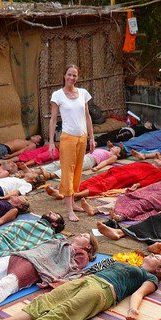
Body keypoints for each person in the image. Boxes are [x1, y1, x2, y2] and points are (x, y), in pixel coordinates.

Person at [0, 255, 161, 320]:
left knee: (67, 310)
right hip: (89, 280)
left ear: (159, 269)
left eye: (158, 259)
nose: (153, 255)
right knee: (46, 300)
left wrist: (133, 310)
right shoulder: (130, 263)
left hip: (104, 290)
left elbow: (138, 293)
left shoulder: (150, 277)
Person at [48, 64, 96, 222]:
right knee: (67, 171)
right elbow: (53, 119)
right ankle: (68, 209)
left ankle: (72, 201)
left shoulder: (83, 93)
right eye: (69, 74)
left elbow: (87, 116)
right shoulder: (57, 95)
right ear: (64, 76)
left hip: (82, 137)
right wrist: (50, 141)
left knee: (77, 170)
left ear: (78, 77)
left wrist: (92, 137)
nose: (71, 78)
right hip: (67, 138)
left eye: (74, 75)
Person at [81, 177, 161, 222]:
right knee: (127, 198)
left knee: (145, 203)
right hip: (160, 187)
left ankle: (119, 216)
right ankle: (95, 209)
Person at [44, 160, 161, 202]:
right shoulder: (146, 163)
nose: (159, 160)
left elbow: (149, 181)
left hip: (124, 177)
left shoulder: (157, 172)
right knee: (92, 180)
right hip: (116, 171)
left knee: (101, 185)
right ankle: (62, 193)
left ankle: (76, 195)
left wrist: (137, 185)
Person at [36, 146, 124, 181]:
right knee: (63, 162)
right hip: (84, 156)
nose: (114, 147)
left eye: (117, 148)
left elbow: (105, 162)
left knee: (71, 167)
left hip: (90, 160)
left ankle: (50, 175)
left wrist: (97, 168)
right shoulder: (105, 150)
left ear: (118, 153)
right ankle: (39, 170)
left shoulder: (113, 156)